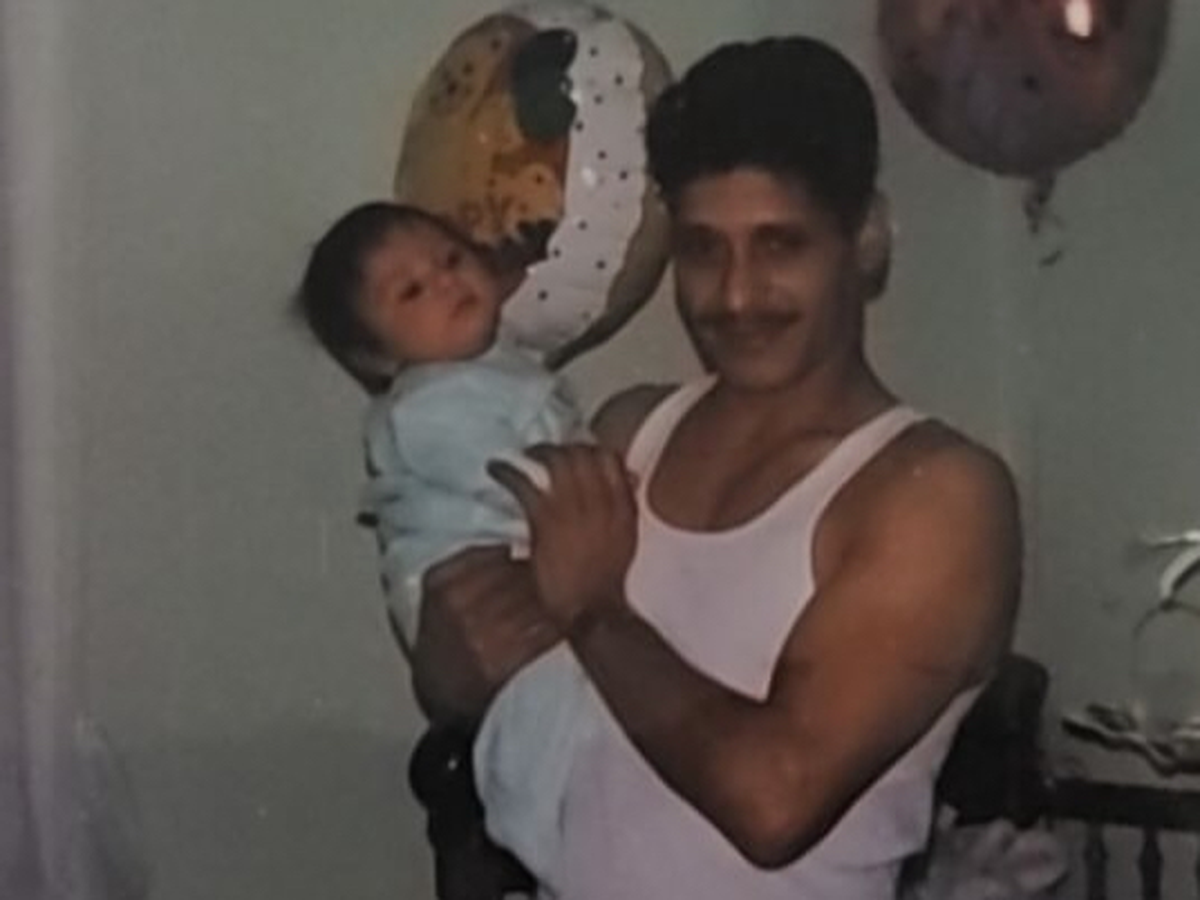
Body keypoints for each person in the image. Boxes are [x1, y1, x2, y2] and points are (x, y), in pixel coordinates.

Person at [412, 34, 1022, 900]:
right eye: (703, 249)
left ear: (868, 240)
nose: (735, 296)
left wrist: (593, 611)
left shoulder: (936, 495)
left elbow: (774, 800)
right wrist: (452, 656)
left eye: (779, 246)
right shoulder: (630, 432)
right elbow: (489, 683)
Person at [294, 202, 592, 892]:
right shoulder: (429, 404)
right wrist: (600, 495)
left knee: (571, 711)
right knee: (548, 721)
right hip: (487, 573)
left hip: (528, 573)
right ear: (376, 356)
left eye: (452, 260)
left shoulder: (492, 366)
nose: (447, 281)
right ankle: (557, 843)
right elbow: (509, 481)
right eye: (412, 291)